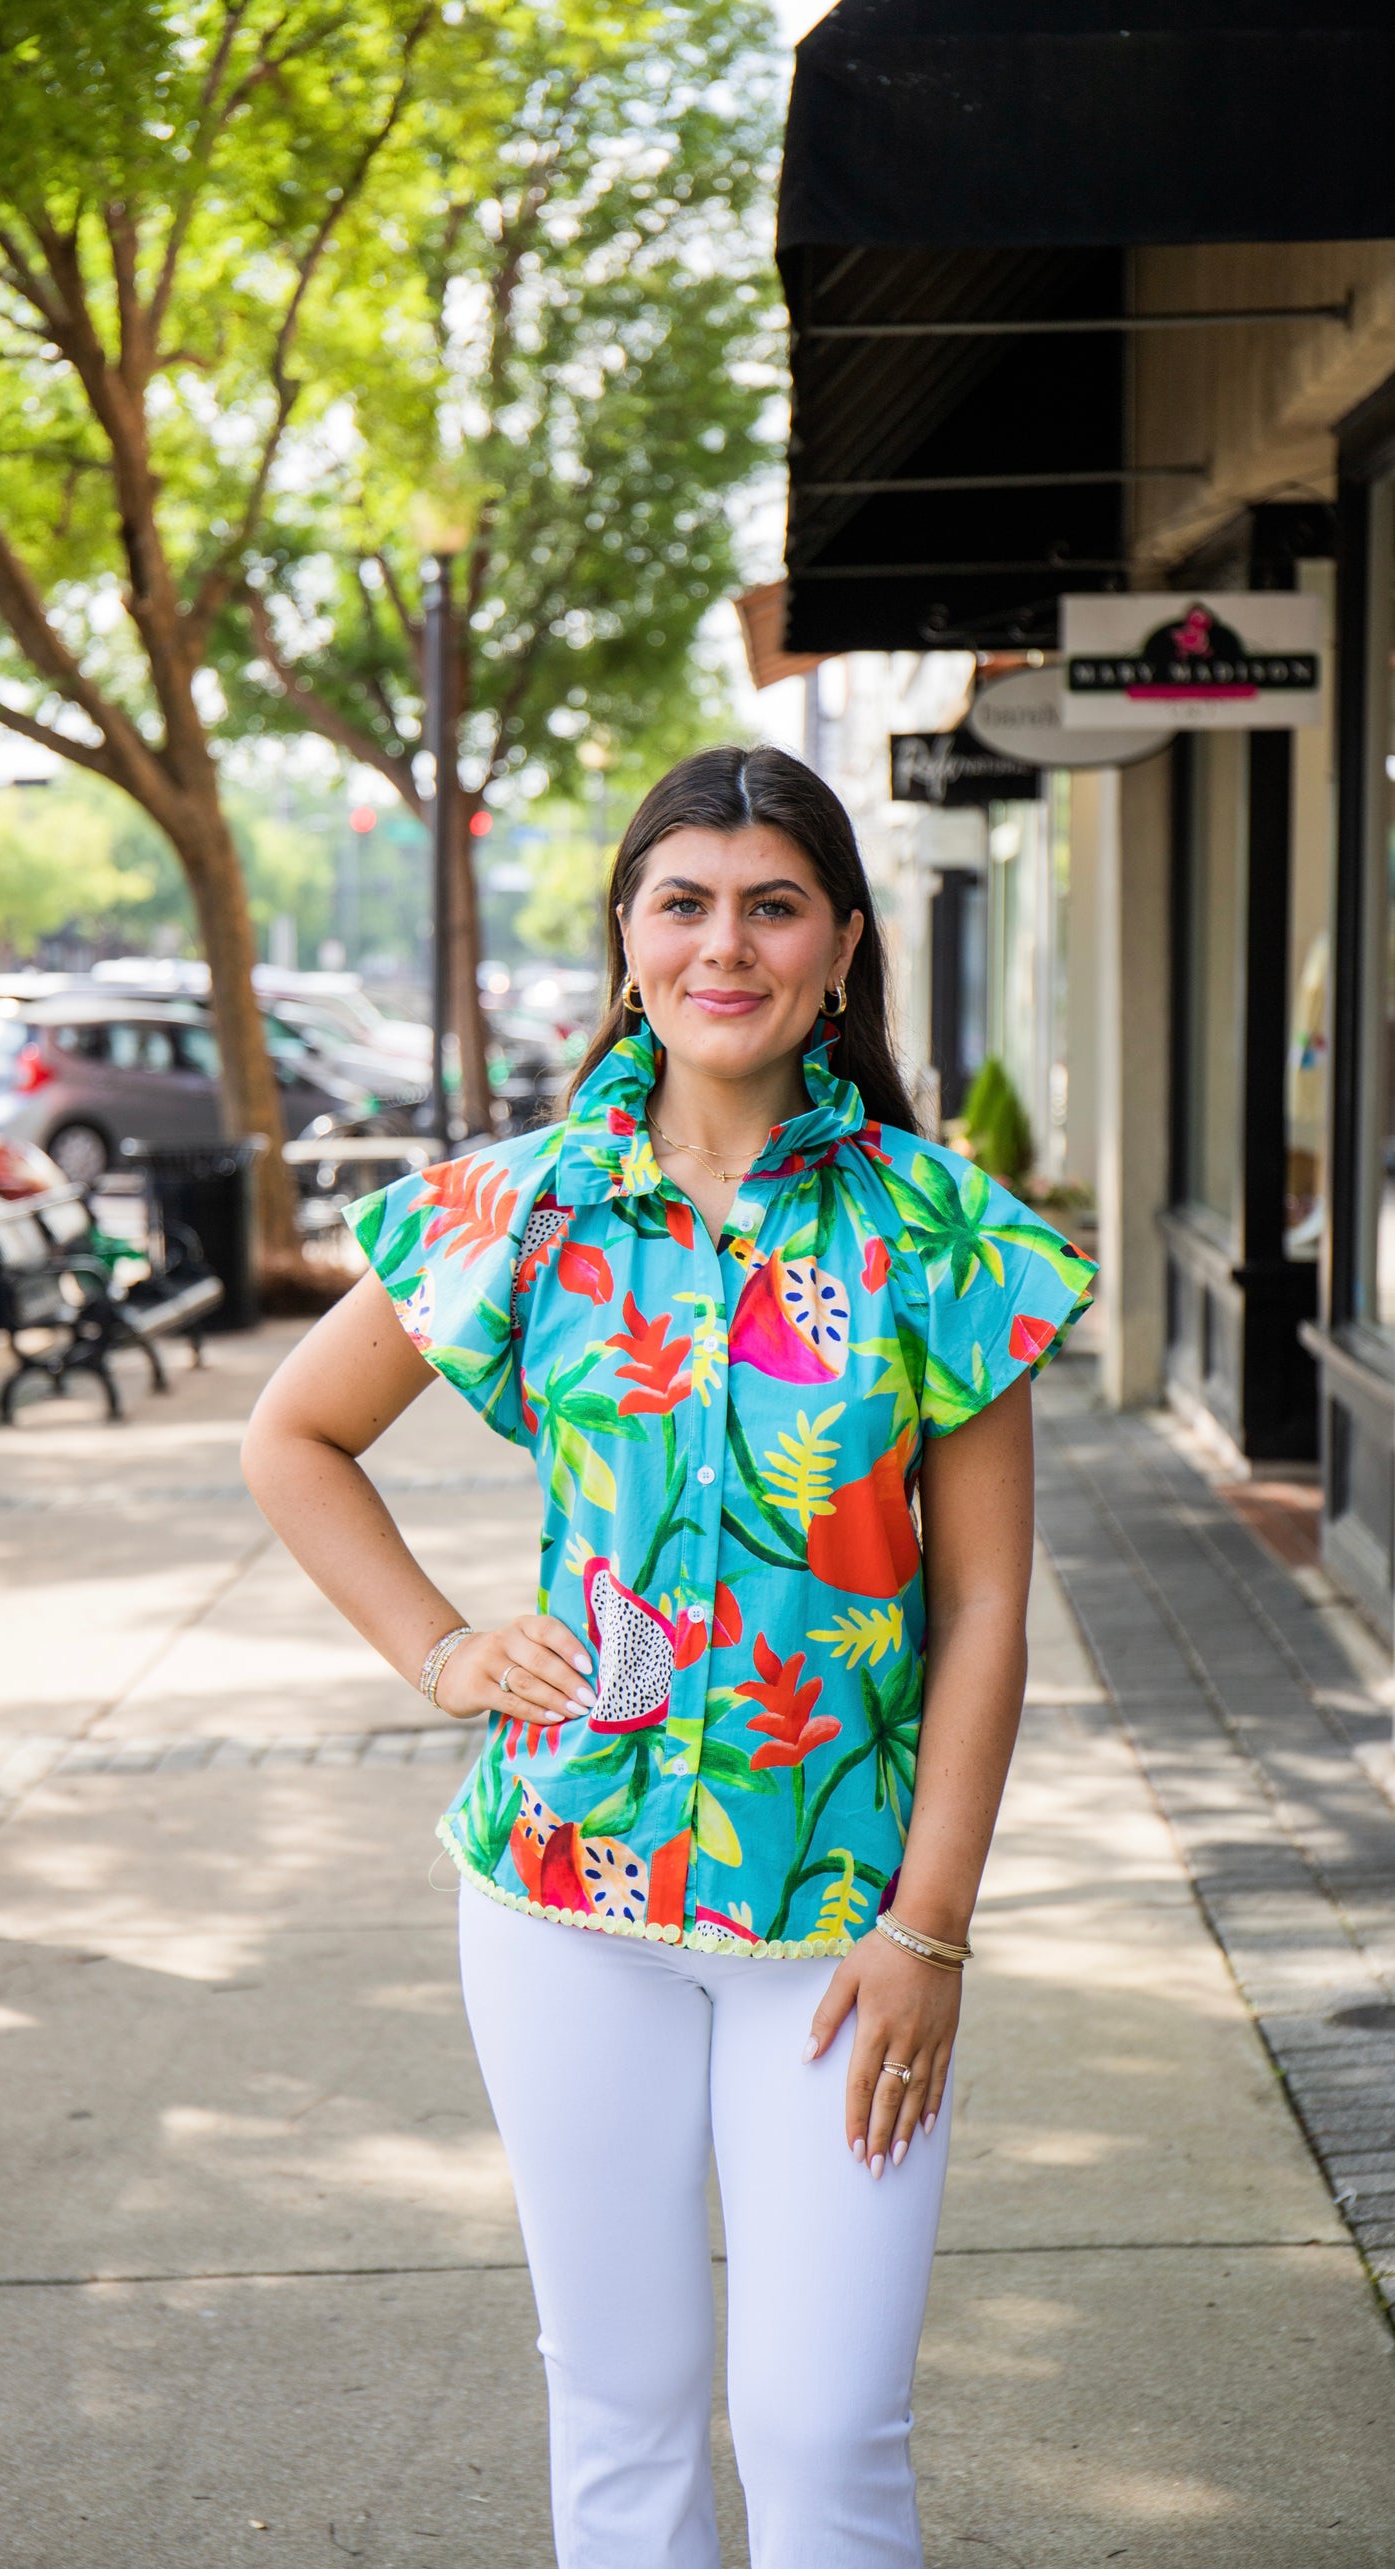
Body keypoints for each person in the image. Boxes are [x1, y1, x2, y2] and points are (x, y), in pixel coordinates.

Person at [242, 745, 1096, 2569]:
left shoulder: (944, 1237)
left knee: (823, 2431)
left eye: (772, 903)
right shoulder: (519, 1209)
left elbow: (986, 1605)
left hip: (843, 1930)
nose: (729, 944)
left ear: (842, 946)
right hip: (558, 1899)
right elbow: (291, 1438)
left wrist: (930, 1922)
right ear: (628, 941)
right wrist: (443, 1647)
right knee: (620, 2418)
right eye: (684, 903)